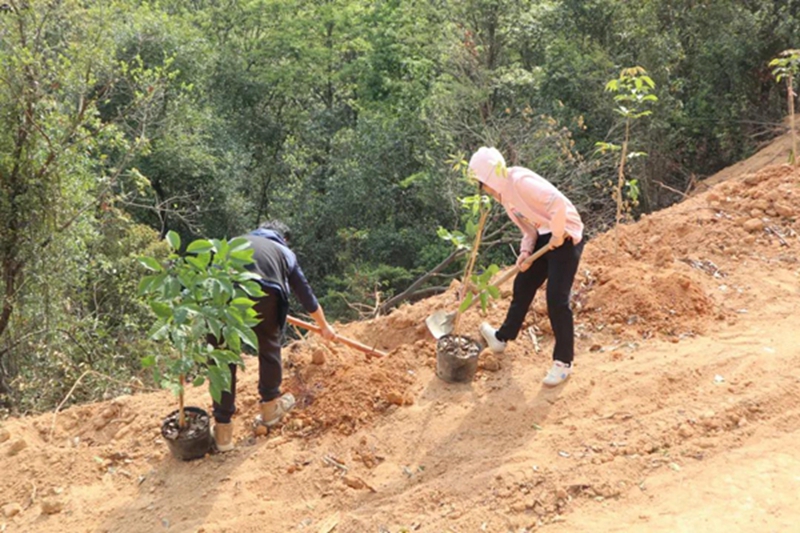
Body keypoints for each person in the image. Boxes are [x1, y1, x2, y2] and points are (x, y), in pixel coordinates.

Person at [212, 220, 336, 451]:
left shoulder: (234, 242)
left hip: (219, 290)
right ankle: (270, 409)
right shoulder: (284, 251)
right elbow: (305, 294)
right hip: (264, 289)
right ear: (284, 238)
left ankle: (222, 433)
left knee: (221, 357)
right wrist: (325, 326)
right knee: (269, 345)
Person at [468, 147, 584, 386]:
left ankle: (564, 362)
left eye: (483, 184)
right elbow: (529, 229)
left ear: (490, 177)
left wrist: (558, 234)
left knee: (556, 299)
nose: (484, 190)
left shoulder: (520, 181)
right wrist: (525, 253)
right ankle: (502, 337)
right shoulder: (505, 196)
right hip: (544, 234)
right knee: (523, 284)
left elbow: (558, 204)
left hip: (566, 234)